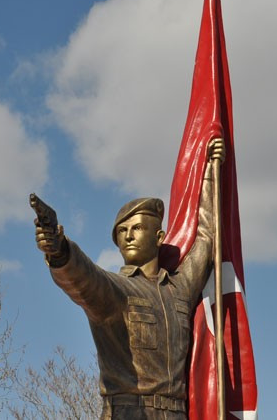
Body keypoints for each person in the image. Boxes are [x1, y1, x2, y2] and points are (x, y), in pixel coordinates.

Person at [34, 138, 225, 419]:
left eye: (137, 228)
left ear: (159, 237)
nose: (128, 236)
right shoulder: (117, 290)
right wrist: (60, 250)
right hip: (128, 412)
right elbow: (83, 279)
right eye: (122, 232)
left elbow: (207, 238)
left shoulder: (179, 290)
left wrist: (211, 172)